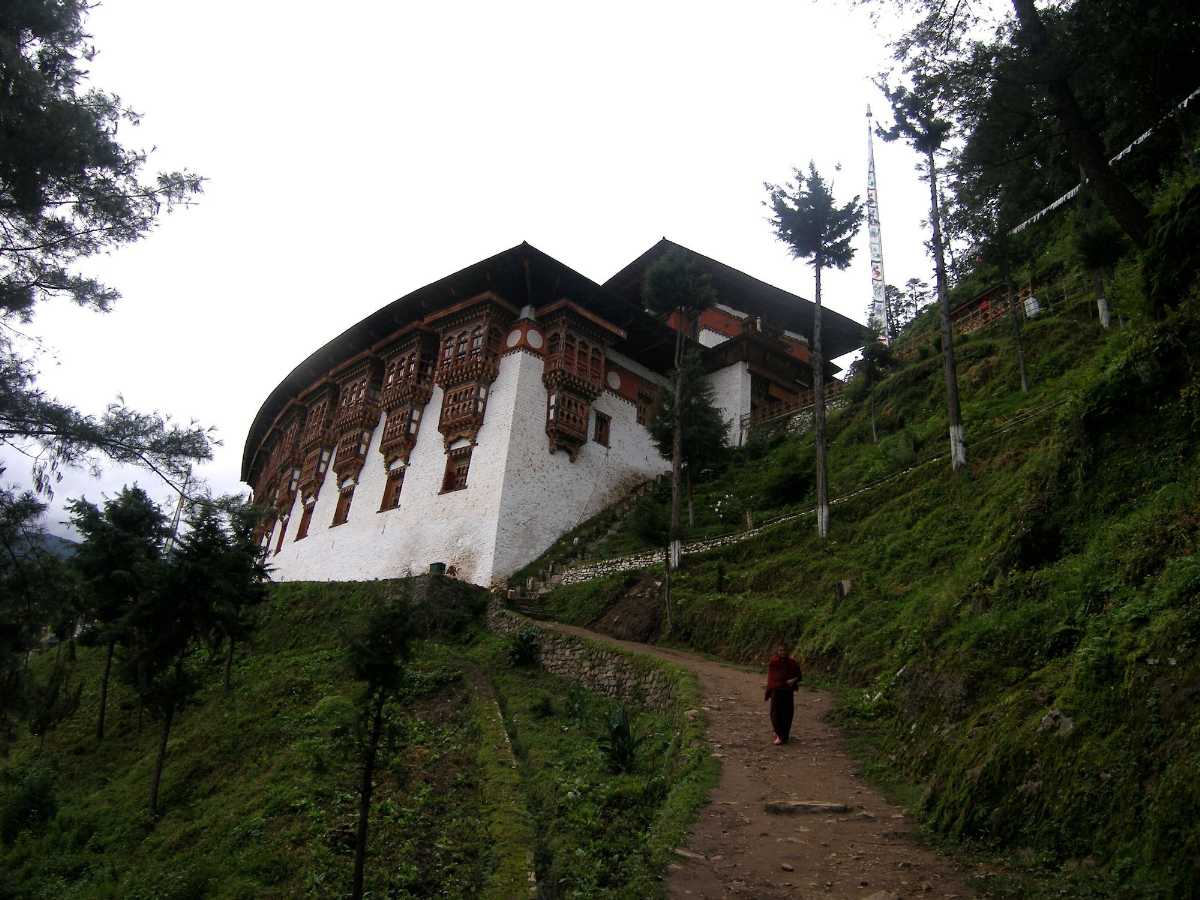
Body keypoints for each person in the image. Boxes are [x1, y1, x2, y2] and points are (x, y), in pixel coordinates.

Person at [764, 642, 802, 745]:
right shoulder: (774, 662)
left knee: (787, 713)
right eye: (780, 650)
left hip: (787, 692)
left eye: (784, 650)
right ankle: (778, 734)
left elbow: (799, 676)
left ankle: (784, 735)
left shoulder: (792, 663)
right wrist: (771, 689)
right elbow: (772, 678)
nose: (782, 652)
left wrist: (793, 680)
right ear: (777, 651)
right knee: (775, 713)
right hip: (776, 691)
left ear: (788, 651)